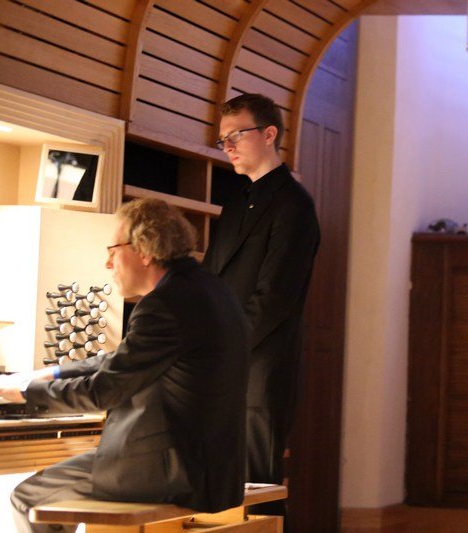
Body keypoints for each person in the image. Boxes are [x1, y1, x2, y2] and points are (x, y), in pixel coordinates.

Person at [0, 198, 248, 533]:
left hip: (170, 470)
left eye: (113, 250)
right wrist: (51, 372)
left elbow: (104, 391)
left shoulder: (164, 304)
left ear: (144, 250)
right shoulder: (211, 290)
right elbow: (121, 361)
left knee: (28, 497)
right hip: (214, 468)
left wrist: (24, 392)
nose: (107, 263)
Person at [202, 93, 320, 520]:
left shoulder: (294, 204)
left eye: (236, 135)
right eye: (223, 139)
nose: (228, 146)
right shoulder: (236, 202)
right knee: (218, 487)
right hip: (222, 363)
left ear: (269, 134)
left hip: (260, 366)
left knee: (258, 490)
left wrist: (223, 347)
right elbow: (211, 280)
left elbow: (274, 298)